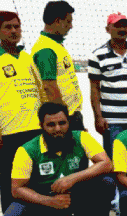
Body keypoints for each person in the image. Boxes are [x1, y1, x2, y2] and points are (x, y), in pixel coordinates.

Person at [1, 102, 114, 216]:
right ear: (41, 125)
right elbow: (16, 189)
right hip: (44, 199)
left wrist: (72, 178)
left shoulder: (82, 137)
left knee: (106, 182)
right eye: (51, 125)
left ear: (69, 122)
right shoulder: (26, 150)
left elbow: (106, 164)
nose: (58, 129)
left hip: (77, 194)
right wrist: (49, 201)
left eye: (62, 123)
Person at [0, 11, 43, 215]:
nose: (14, 31)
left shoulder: (27, 57)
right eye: (8, 27)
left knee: (38, 174)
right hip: (8, 131)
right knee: (10, 175)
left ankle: (43, 212)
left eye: (17, 26)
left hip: (35, 127)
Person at [89, 12, 127, 157]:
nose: (122, 29)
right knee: (116, 162)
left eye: (125, 25)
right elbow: (94, 89)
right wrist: (98, 117)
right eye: (117, 26)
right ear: (108, 29)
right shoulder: (97, 55)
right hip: (112, 121)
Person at [31, 1, 84, 131]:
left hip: (71, 114)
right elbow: (49, 86)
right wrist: (62, 118)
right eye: (68, 22)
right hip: (64, 117)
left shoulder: (55, 45)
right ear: (57, 21)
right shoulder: (45, 49)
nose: (71, 26)